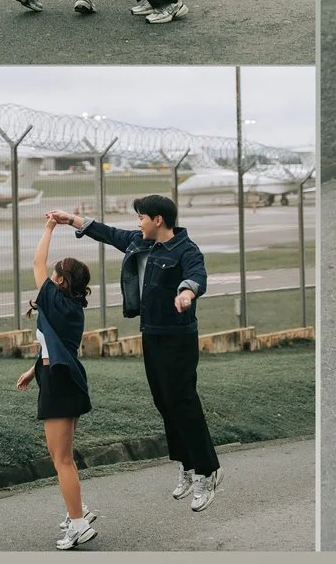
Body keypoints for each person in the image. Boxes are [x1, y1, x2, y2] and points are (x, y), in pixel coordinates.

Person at [45, 197, 224, 511]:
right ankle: (186, 463)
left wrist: (186, 292)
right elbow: (108, 233)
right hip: (151, 332)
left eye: (142, 218)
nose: (138, 223)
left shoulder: (186, 249)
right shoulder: (141, 243)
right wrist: (70, 220)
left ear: (157, 220)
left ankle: (207, 471)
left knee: (183, 401)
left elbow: (197, 276)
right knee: (164, 401)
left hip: (179, 337)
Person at [15, 215, 98, 550]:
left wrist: (50, 227)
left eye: (54, 275)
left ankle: (79, 524)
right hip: (60, 377)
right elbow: (55, 345)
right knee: (62, 456)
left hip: (60, 383)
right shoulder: (69, 305)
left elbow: (36, 261)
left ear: (61, 281)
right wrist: (34, 370)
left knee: (60, 458)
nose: (48, 276)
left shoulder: (55, 300)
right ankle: (76, 511)